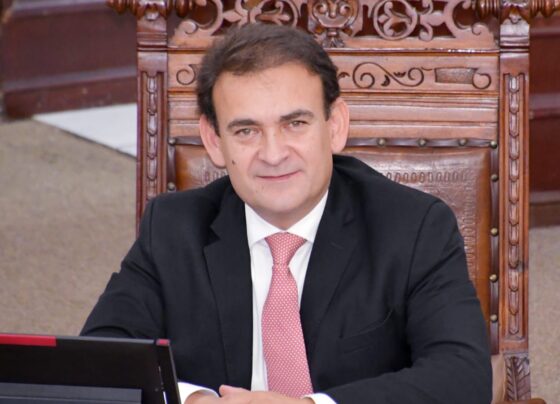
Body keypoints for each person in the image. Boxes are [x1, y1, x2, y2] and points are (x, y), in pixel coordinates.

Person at [82, 23, 492, 404]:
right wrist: (195, 400)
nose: (274, 154)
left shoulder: (414, 228)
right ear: (214, 140)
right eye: (246, 131)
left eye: (295, 123)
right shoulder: (173, 229)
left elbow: (463, 377)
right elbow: (97, 360)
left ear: (335, 126)